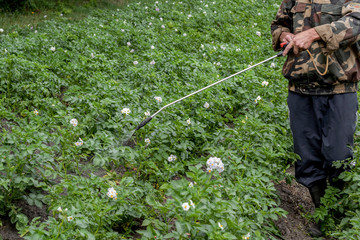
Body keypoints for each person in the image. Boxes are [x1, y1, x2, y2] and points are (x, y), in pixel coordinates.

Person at [271, 0, 360, 237]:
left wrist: (313, 34)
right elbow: (279, 23)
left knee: (338, 155)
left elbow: (356, 22)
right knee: (307, 158)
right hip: (300, 89)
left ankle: (341, 216)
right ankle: (324, 216)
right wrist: (286, 35)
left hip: (339, 88)